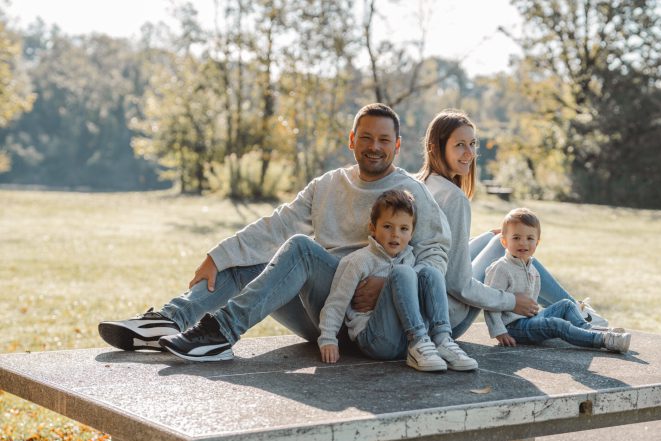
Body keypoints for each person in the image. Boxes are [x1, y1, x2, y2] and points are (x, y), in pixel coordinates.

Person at [98, 103, 451, 362]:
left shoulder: (410, 191)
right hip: (325, 314)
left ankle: (221, 333)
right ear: (352, 139)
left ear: (397, 145)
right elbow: (277, 225)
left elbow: (436, 251)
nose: (375, 146)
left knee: (299, 248)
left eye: (384, 140)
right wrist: (218, 257)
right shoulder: (328, 184)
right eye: (367, 137)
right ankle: (169, 319)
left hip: (375, 322)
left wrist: (386, 281)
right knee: (246, 262)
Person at [414, 109, 608, 339]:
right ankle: (577, 311)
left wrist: (483, 238)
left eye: (472, 144)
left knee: (494, 238)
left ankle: (575, 307)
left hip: (425, 304)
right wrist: (512, 301)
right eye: (459, 145)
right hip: (447, 317)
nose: (469, 153)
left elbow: (440, 247)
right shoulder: (454, 198)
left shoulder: (421, 183)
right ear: (438, 147)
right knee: (503, 244)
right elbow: (459, 284)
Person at [318, 189, 477, 372]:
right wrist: (328, 339)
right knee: (403, 272)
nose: (395, 235)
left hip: (405, 339)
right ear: (373, 228)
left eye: (403, 229)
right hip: (376, 340)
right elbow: (337, 302)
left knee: (430, 272)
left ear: (411, 233)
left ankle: (441, 339)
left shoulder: (410, 258)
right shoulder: (358, 261)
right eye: (387, 227)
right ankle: (418, 342)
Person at [484, 208, 630, 353]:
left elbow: (532, 305)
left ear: (537, 243)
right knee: (557, 325)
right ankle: (603, 340)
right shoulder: (501, 268)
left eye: (529, 238)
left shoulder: (533, 270)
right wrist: (499, 331)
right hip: (512, 327)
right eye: (516, 238)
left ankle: (590, 330)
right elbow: (490, 301)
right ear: (504, 241)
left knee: (566, 304)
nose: (523, 243)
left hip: (529, 321)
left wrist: (539, 318)